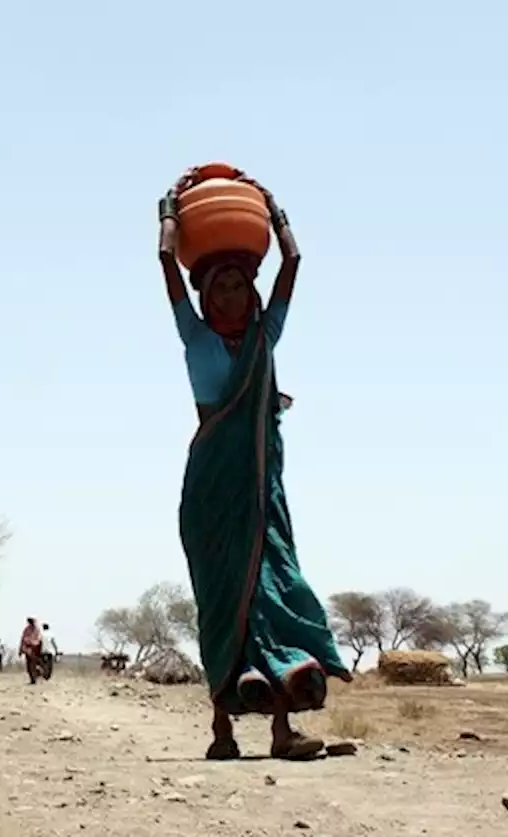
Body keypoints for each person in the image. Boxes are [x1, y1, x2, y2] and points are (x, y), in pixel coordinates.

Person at [159, 167, 351, 761]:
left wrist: (273, 209)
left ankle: (280, 730)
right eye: (222, 287)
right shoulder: (195, 338)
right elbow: (167, 269)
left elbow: (292, 267)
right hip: (214, 492)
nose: (233, 297)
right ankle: (223, 730)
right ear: (205, 295)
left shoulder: (267, 337)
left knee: (275, 589)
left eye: (242, 286)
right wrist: (168, 214)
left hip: (263, 491)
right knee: (222, 602)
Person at [18, 617, 43, 684]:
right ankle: (32, 679)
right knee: (29, 666)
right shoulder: (26, 629)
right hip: (28, 649)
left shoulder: (37, 629)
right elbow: (23, 639)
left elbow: (39, 639)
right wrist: (20, 650)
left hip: (35, 649)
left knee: (34, 664)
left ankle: (36, 677)